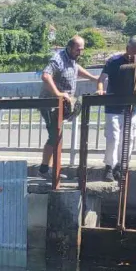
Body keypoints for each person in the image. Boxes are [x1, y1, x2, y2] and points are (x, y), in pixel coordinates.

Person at [97, 35, 136, 182]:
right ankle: (109, 167)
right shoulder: (114, 61)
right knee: (113, 138)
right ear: (127, 48)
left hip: (131, 107)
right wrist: (100, 90)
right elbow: (101, 79)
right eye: (134, 51)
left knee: (129, 138)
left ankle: (120, 166)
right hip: (113, 107)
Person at [38, 36, 99, 179]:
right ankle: (45, 170)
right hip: (50, 104)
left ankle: (49, 169)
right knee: (54, 136)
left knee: (56, 136)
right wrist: (58, 93)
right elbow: (46, 76)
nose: (80, 53)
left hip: (62, 105)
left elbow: (76, 69)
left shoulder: (71, 59)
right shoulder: (58, 58)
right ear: (70, 47)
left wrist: (93, 78)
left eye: (82, 50)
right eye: (78, 50)